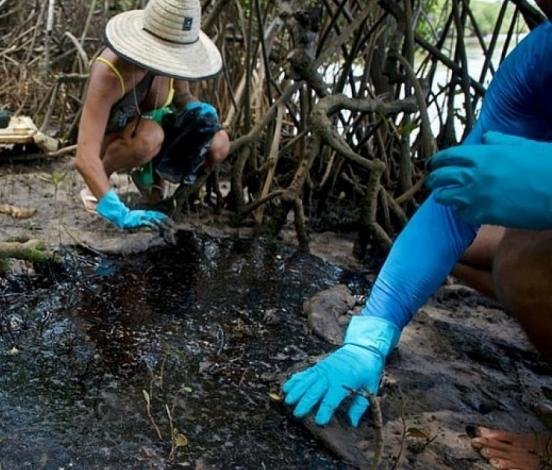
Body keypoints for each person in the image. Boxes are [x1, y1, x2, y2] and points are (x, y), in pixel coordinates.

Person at [282, 9, 552, 470]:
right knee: (468, 248)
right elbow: (451, 212)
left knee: (522, 267)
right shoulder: (539, 61)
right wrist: (369, 338)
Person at [74, 0, 231, 231]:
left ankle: (156, 191)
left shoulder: (174, 59)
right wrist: (119, 213)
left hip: (151, 132)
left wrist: (198, 112)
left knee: (219, 143)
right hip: (115, 141)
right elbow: (84, 156)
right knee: (149, 137)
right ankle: (98, 187)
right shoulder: (109, 72)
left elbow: (182, 97)